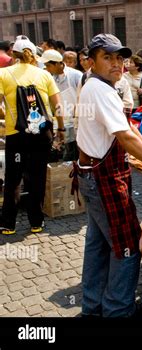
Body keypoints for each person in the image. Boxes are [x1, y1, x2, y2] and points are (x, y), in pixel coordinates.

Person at [75, 34, 142, 318]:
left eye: (119, 58)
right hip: (104, 178)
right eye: (107, 58)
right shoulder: (99, 89)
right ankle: (118, 310)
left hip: (93, 174)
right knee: (127, 245)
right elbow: (124, 134)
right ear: (91, 61)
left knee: (98, 245)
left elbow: (128, 127)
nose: (116, 64)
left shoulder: (101, 86)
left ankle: (93, 307)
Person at [0, 35, 64, 235]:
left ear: (14, 54)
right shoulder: (44, 75)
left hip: (15, 133)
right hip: (41, 134)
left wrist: (5, 117)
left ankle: (8, 224)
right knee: (37, 177)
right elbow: (59, 107)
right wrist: (60, 130)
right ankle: (36, 222)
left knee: (12, 178)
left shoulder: (3, 74)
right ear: (33, 55)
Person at [39, 49, 83, 161]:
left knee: (75, 154)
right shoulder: (51, 78)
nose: (47, 69)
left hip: (77, 120)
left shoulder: (76, 76)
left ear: (58, 64)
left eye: (49, 66)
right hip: (62, 121)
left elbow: (84, 99)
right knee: (64, 156)